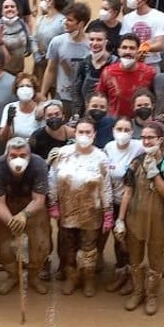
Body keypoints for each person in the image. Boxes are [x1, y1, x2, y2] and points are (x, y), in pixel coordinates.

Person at [118, 121, 164, 314]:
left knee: (155, 259)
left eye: (150, 137)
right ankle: (138, 292)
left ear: (160, 139)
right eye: (143, 137)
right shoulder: (136, 162)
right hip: (135, 216)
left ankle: (152, 296)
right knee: (135, 257)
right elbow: (127, 192)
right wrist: (120, 219)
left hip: (158, 219)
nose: (146, 141)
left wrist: (154, 173)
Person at [48, 119, 113, 296]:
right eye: (80, 132)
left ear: (94, 135)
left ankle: (88, 279)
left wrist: (108, 212)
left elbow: (106, 186)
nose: (84, 136)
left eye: (88, 132)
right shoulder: (62, 153)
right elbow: (52, 179)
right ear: (74, 134)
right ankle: (72, 277)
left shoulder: (101, 157)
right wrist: (53, 203)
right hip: (67, 211)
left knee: (89, 248)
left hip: (92, 211)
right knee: (68, 247)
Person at [0, 137, 52, 295]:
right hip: (6, 205)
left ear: (29, 156)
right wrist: (10, 221)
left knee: (41, 245)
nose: (18, 159)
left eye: (23, 155)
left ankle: (33, 276)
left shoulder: (38, 165)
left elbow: (39, 200)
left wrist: (24, 215)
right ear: (6, 155)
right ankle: (13, 275)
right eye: (13, 155)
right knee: (3, 249)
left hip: (32, 206)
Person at [101, 116, 141, 295]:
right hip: (113, 201)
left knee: (131, 241)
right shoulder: (109, 147)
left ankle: (134, 278)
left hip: (133, 203)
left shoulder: (139, 146)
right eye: (119, 129)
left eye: (127, 130)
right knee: (118, 240)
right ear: (113, 131)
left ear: (132, 132)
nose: (123, 133)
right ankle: (121, 273)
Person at [40, 2, 92, 113]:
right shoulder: (57, 42)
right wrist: (43, 94)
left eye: (70, 20)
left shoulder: (91, 46)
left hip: (84, 99)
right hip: (62, 98)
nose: (65, 23)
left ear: (81, 24)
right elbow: (50, 69)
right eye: (65, 19)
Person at [100, 35, 157, 118]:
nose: (127, 51)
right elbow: (100, 98)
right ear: (118, 51)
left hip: (140, 123)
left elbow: (155, 99)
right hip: (115, 124)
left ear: (138, 51)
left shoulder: (149, 72)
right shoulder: (108, 72)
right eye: (124, 47)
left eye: (132, 48)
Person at [119, 0, 164, 64]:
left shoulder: (158, 16)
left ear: (144, 0)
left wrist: (144, 49)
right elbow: (124, 41)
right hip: (131, 63)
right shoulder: (127, 18)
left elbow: (160, 44)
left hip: (151, 63)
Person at [75, 25, 117, 116]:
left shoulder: (115, 63)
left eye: (99, 40)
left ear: (106, 42)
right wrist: (77, 112)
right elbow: (77, 90)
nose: (94, 43)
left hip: (109, 115)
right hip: (87, 114)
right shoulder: (84, 63)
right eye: (91, 39)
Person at [0, 0, 32, 75]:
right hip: (0, 71)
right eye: (6, 7)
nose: (9, 9)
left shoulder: (23, 25)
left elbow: (29, 40)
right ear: (2, 11)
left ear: (17, 10)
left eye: (12, 6)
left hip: (19, 69)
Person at [32, 0, 68, 84]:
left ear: (51, 1)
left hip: (55, 64)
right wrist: (36, 52)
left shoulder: (62, 22)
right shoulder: (40, 19)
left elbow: (65, 43)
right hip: (39, 63)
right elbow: (34, 38)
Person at [0, 73, 41, 144]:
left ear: (34, 90)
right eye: (21, 86)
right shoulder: (10, 107)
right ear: (16, 90)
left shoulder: (40, 110)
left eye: (28, 86)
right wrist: (8, 122)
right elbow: (3, 138)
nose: (25, 89)